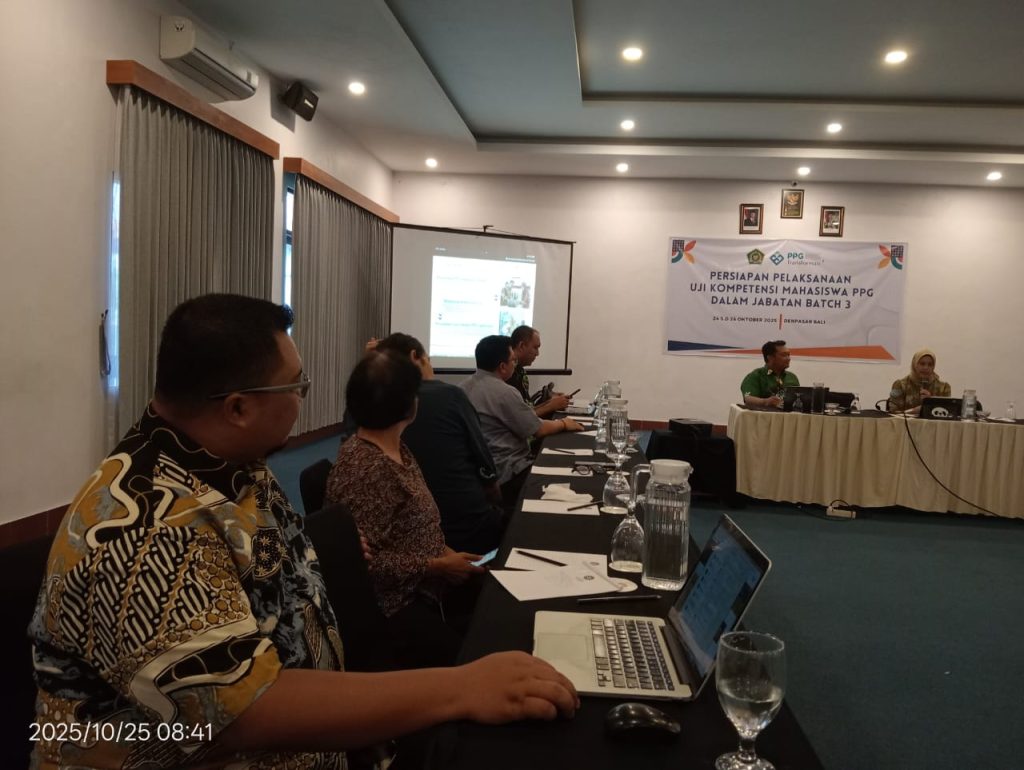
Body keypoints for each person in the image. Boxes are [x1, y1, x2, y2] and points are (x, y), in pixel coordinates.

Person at [28, 294, 577, 770]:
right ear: (238, 408)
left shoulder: (233, 465)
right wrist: (459, 687)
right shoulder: (146, 527)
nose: (304, 397)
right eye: (297, 385)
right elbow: (244, 710)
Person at [325, 350, 485, 665]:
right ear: (409, 405)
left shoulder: (394, 448)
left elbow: (415, 527)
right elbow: (364, 567)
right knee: (483, 651)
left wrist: (446, 554)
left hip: (428, 588)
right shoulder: (367, 468)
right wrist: (437, 566)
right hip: (396, 610)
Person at [375, 332, 505, 554]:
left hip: (405, 537)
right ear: (415, 356)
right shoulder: (450, 396)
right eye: (429, 359)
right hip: (466, 529)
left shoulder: (375, 407)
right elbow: (485, 468)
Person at [462, 335, 584, 511]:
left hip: (479, 471)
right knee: (568, 474)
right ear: (502, 366)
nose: (515, 364)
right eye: (513, 360)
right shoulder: (504, 392)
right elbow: (538, 429)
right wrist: (564, 423)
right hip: (509, 471)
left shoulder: (461, 389)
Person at [507, 325, 571, 417]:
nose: (537, 353)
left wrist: (551, 401)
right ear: (521, 346)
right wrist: (551, 406)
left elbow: (527, 409)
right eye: (535, 348)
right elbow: (521, 418)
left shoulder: (520, 371)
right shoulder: (508, 374)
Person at [888, 348, 951, 415]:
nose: (926, 367)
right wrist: (912, 411)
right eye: (922, 364)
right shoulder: (899, 385)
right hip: (905, 422)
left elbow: (948, 413)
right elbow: (892, 413)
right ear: (915, 364)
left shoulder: (944, 387)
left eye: (930, 364)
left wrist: (931, 402)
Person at [741, 340, 800, 407]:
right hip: (764, 413)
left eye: (788, 355)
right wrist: (766, 402)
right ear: (770, 358)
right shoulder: (756, 376)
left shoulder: (792, 377)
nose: (788, 358)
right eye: (784, 355)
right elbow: (748, 399)